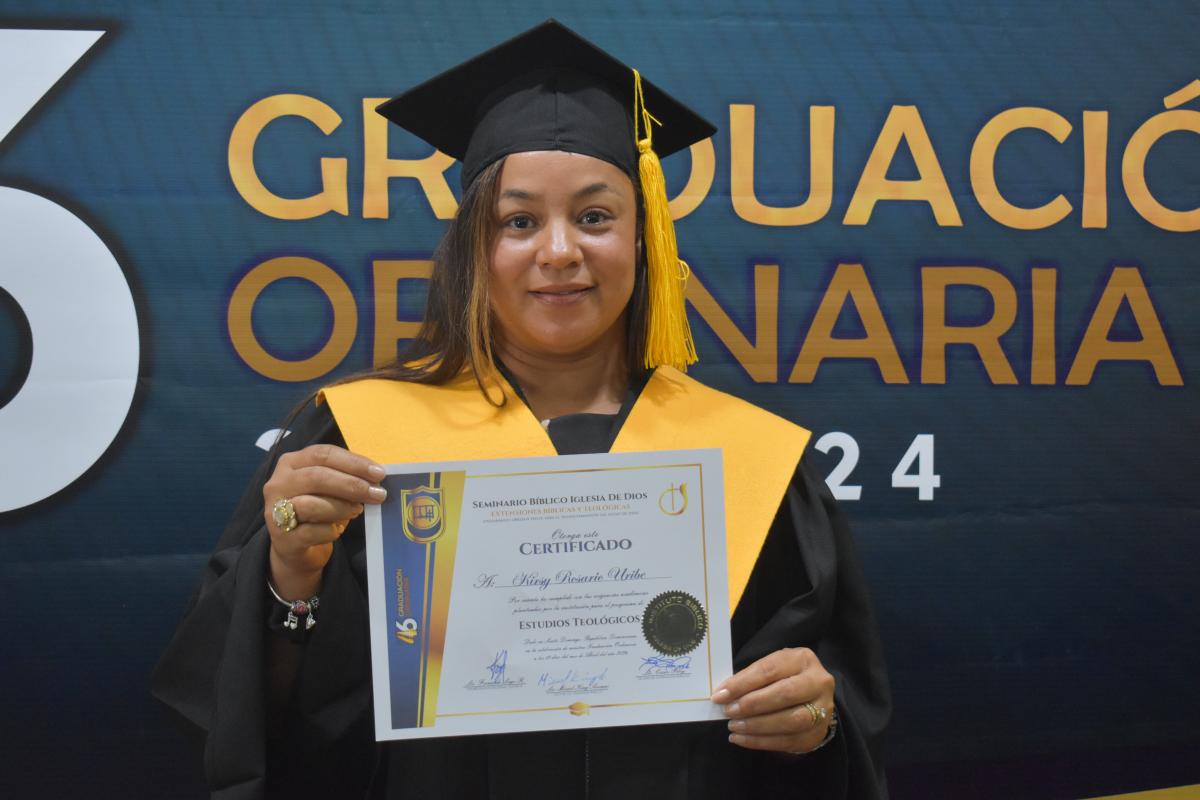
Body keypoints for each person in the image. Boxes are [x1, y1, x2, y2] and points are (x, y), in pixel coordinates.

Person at [153, 19, 890, 800]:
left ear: (644, 238)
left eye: (596, 217)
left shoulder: (747, 459)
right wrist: (289, 574)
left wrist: (816, 717)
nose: (560, 251)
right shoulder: (362, 442)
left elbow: (830, 713)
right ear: (475, 247)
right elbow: (257, 721)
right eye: (519, 221)